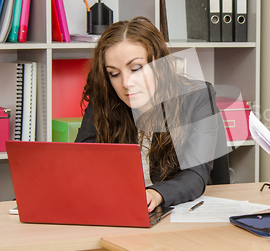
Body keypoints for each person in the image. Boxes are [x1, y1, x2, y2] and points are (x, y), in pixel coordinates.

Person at [75, 17, 221, 211]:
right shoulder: (104, 97)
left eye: (136, 69)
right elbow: (80, 161)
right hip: (118, 208)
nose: (126, 83)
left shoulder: (197, 98)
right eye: (114, 73)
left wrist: (155, 193)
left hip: (175, 211)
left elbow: (196, 175)